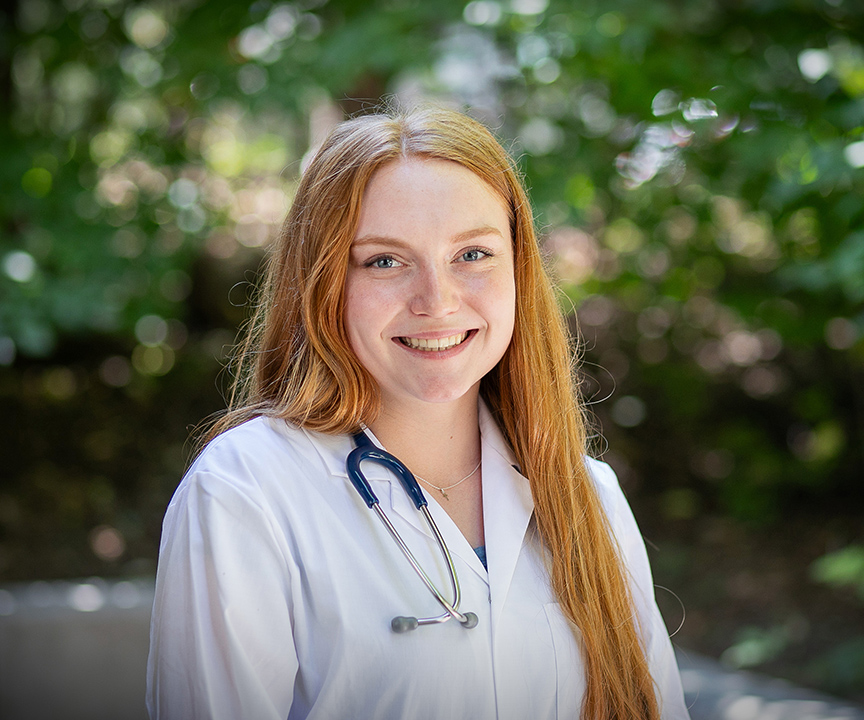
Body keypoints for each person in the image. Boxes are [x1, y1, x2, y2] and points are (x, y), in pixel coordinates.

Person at [146, 103, 690, 720]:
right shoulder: (247, 492)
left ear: (518, 271)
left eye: (473, 254)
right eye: (384, 260)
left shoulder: (588, 493)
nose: (437, 300)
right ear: (325, 282)